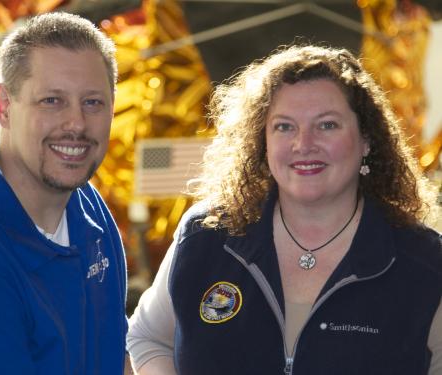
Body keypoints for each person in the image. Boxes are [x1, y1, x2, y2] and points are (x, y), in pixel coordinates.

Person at [127, 45, 442, 375]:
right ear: (261, 141)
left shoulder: (423, 261)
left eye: (327, 125)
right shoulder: (205, 234)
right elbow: (148, 337)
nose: (303, 144)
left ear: (366, 139)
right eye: (284, 126)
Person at [0, 12, 128, 374]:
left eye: (92, 102)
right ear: (3, 106)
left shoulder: (89, 209)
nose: (76, 123)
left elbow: (117, 357)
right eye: (52, 101)